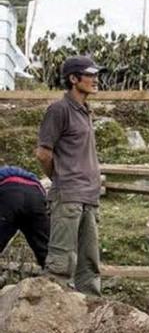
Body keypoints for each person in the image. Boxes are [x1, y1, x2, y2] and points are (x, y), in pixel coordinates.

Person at [35, 55, 105, 295]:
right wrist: (60, 178)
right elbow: (43, 154)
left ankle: (91, 319)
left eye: (96, 75)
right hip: (68, 197)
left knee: (89, 264)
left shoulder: (85, 110)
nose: (95, 79)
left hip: (89, 198)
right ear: (73, 79)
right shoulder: (59, 110)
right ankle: (51, 318)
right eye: (90, 75)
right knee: (61, 264)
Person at [0, 166, 50, 268]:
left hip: (10, 192)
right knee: (45, 248)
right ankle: (55, 279)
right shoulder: (29, 177)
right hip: (36, 196)